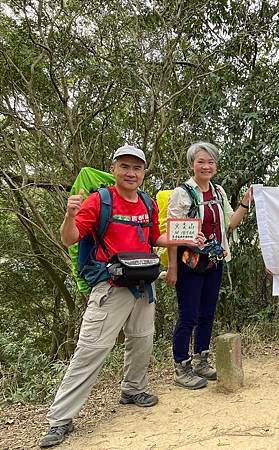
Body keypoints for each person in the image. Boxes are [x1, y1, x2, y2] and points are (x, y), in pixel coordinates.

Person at [40, 146, 174, 448]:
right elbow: (69, 238)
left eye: (137, 168)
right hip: (110, 287)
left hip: (143, 284)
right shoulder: (98, 201)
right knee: (91, 349)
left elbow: (155, 238)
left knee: (142, 339)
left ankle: (133, 389)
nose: (131, 173)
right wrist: (69, 215)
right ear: (114, 169)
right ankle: (60, 419)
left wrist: (183, 239)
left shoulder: (147, 203)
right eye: (125, 166)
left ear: (143, 172)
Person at [166, 141, 252, 389]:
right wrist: (172, 268)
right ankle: (181, 367)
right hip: (190, 263)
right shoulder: (182, 193)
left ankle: (201, 359)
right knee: (188, 315)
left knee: (207, 313)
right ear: (192, 164)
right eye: (201, 161)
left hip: (215, 261)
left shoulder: (219, 192)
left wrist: (245, 202)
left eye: (210, 161)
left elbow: (230, 223)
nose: (206, 166)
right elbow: (173, 233)